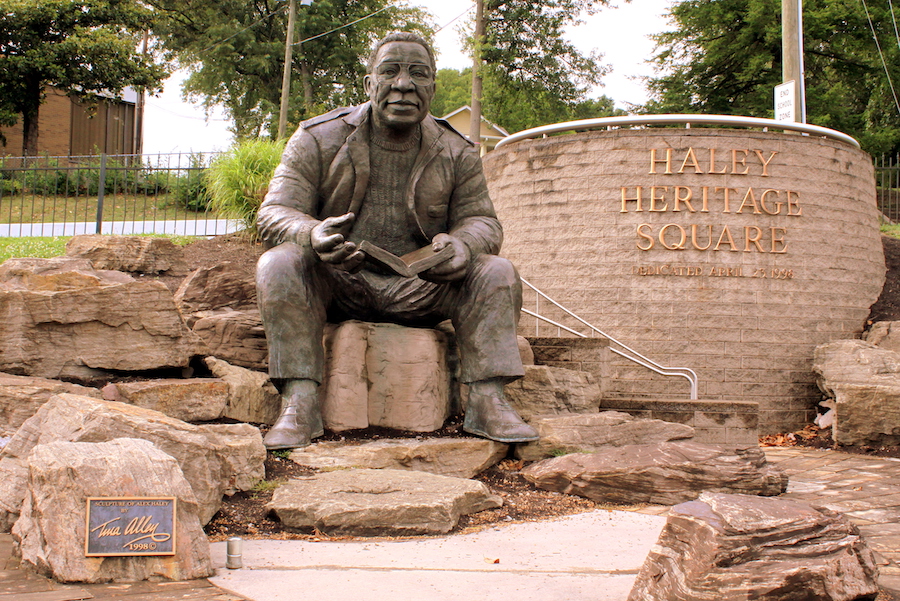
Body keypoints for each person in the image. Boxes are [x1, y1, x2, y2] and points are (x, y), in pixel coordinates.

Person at [255, 31, 538, 449]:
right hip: (340, 282)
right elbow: (273, 212)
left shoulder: (457, 150)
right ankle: (300, 401)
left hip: (424, 287)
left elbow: (482, 221)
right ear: (369, 84)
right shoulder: (318, 138)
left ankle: (488, 401)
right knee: (279, 263)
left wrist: (463, 246)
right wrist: (311, 233)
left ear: (432, 88)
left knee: (496, 271)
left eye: (417, 74)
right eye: (390, 72)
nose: (403, 84)